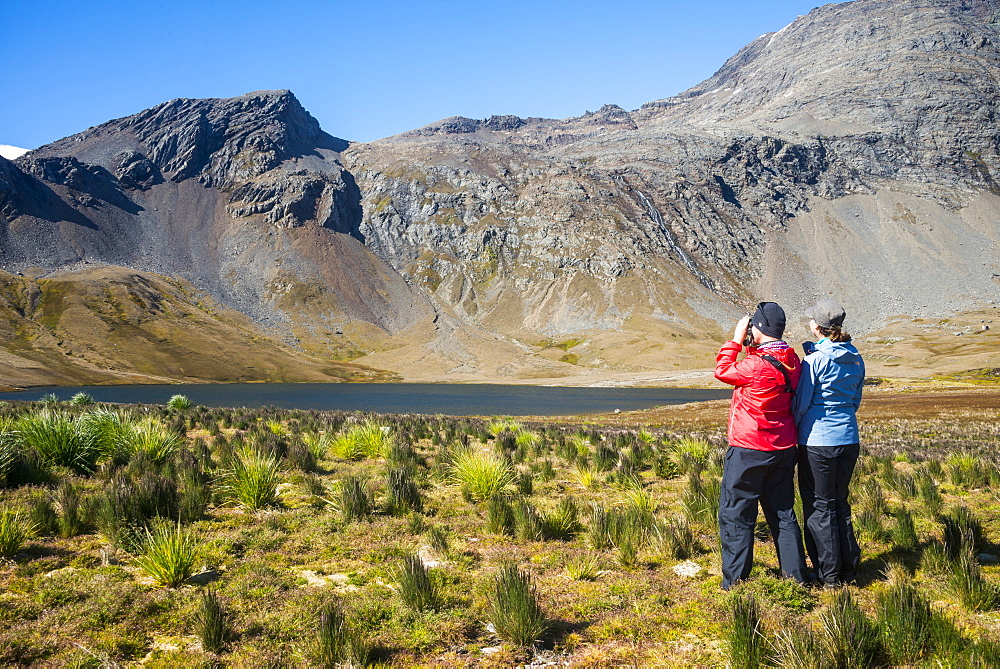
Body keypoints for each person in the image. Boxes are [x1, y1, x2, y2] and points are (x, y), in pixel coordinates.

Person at [715, 302, 808, 590]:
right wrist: (752, 343)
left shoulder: (753, 365)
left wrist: (735, 339)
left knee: (737, 513)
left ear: (758, 328)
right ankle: (795, 577)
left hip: (749, 449)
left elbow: (723, 371)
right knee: (782, 512)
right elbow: (768, 362)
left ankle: (736, 581)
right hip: (782, 447)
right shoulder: (792, 360)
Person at [793, 300, 865, 587]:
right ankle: (848, 567)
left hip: (818, 441)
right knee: (840, 502)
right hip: (849, 437)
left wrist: (797, 429)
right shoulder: (856, 357)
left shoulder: (814, 360)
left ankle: (829, 575)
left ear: (817, 326)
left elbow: (802, 403)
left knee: (819, 506)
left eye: (812, 320)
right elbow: (855, 399)